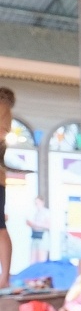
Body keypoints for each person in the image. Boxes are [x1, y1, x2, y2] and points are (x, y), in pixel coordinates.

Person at [0, 87, 14, 289]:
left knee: (1, 229)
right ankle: (4, 278)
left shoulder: (3, 109)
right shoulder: (6, 111)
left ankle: (4, 278)